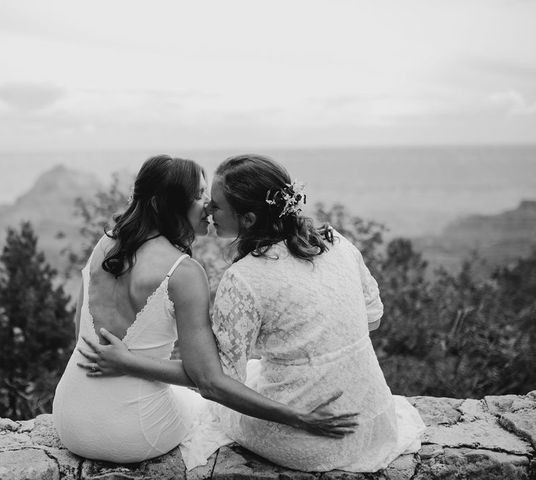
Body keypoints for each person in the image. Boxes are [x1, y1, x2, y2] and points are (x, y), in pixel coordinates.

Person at [78, 154, 425, 472]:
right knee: (257, 370)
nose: (208, 211)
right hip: (372, 422)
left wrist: (300, 410)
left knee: (211, 408)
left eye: (216, 205)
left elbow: (215, 384)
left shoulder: (244, 278)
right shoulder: (334, 240)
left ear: (248, 219)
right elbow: (371, 318)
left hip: (305, 439)